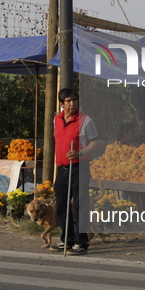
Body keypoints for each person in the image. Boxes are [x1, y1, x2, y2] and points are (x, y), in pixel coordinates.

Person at [49, 88, 99, 255]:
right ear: (62, 104)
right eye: (68, 101)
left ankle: (81, 242)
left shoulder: (86, 121)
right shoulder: (56, 119)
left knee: (80, 206)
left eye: (74, 100)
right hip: (62, 169)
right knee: (61, 206)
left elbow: (95, 143)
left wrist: (80, 153)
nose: (72, 103)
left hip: (80, 167)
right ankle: (67, 240)